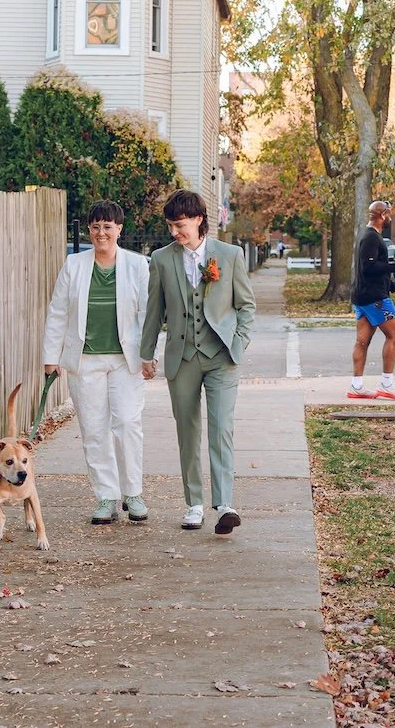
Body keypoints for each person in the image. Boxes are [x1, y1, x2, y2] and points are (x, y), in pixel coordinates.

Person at [140, 190, 256, 535]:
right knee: (187, 432)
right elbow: (154, 312)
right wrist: (147, 354)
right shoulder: (161, 259)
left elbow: (246, 306)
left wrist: (239, 342)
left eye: (180, 225)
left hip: (221, 356)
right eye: (171, 226)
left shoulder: (230, 255)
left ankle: (224, 504)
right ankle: (193, 503)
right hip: (182, 357)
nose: (175, 232)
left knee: (221, 428)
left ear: (198, 220)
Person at [42, 200, 151, 525]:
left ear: (119, 229)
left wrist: (149, 355)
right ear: (89, 230)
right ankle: (106, 496)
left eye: (107, 226)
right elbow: (57, 311)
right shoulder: (74, 265)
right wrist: (51, 357)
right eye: (95, 227)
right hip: (84, 360)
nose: (101, 232)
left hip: (125, 360)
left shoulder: (136, 265)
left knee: (128, 424)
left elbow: (148, 313)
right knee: (94, 428)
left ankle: (133, 492)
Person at [348, 201, 395, 401]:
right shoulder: (371, 238)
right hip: (375, 298)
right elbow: (370, 268)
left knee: (362, 341)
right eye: (388, 214)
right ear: (382, 216)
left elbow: (375, 270)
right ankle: (387, 384)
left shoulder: (367, 236)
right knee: (394, 334)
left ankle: (356, 386)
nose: (390, 217)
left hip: (363, 295)